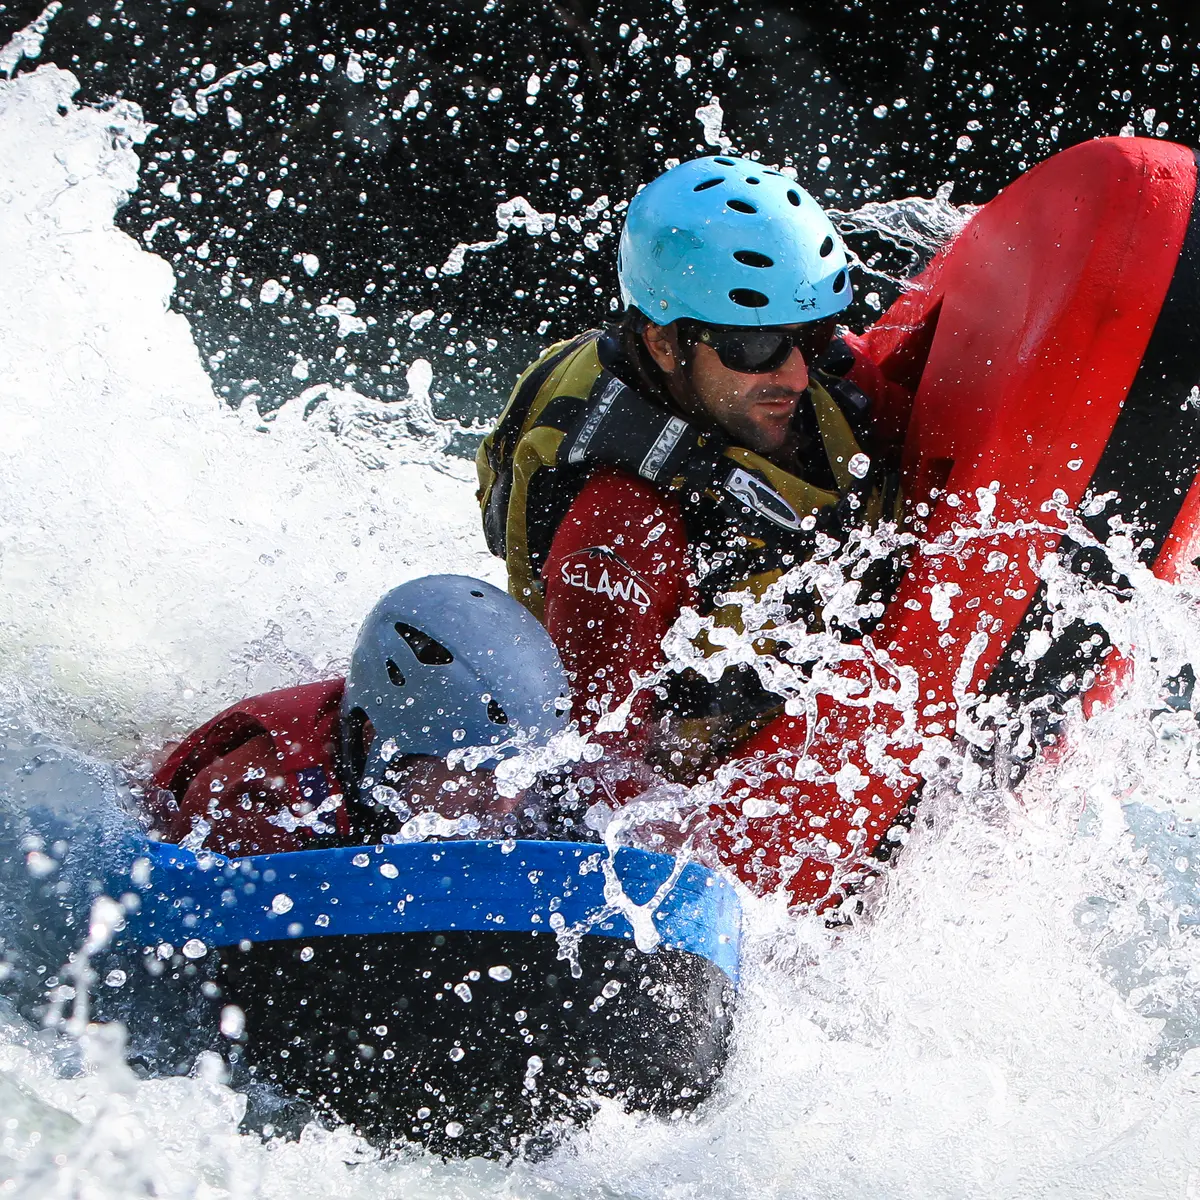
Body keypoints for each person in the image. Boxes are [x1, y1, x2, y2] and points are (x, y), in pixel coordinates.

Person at [477, 154, 916, 781]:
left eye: (811, 335)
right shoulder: (618, 533)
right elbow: (601, 782)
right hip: (704, 756)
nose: (794, 373)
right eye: (755, 345)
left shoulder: (794, 380)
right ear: (662, 342)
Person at [142, 575, 571, 857]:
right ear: (375, 740)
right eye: (478, 776)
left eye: (524, 773)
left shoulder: (507, 781)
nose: (504, 805)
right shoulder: (254, 805)